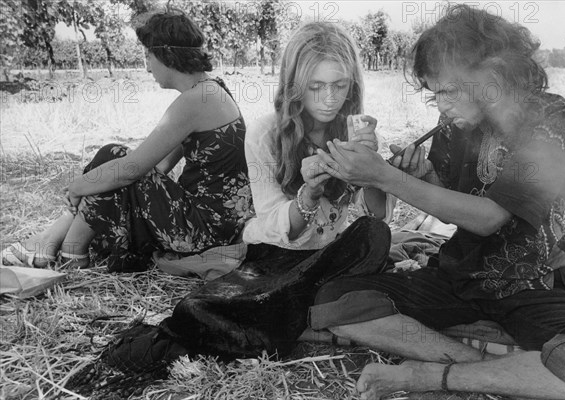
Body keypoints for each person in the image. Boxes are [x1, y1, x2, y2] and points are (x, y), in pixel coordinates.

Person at [65, 21, 397, 398]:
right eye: (315, 87)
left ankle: (299, 307)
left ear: (353, 84)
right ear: (294, 85)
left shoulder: (357, 134)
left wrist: (375, 169)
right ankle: (293, 312)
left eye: (339, 86)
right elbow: (273, 224)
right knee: (207, 306)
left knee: (374, 236)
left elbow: (379, 215)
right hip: (272, 253)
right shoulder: (266, 134)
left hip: (322, 255)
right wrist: (309, 194)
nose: (328, 99)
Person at [309, 5, 565, 400]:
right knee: (335, 302)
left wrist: (385, 177)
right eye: (434, 94)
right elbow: (455, 202)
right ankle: (492, 369)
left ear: (492, 74)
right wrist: (419, 176)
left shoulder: (552, 120)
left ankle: (432, 374)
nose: (440, 105)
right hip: (461, 277)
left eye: (447, 90)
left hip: (534, 285)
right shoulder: (456, 127)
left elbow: (488, 218)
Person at [1, 11, 253, 272]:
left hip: (205, 229)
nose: (147, 67)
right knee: (114, 164)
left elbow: (131, 168)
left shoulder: (195, 101)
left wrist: (78, 187)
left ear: (166, 55)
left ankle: (60, 246)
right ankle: (63, 246)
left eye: (148, 56)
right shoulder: (210, 90)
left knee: (115, 157)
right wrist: (99, 185)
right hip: (217, 222)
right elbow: (160, 167)